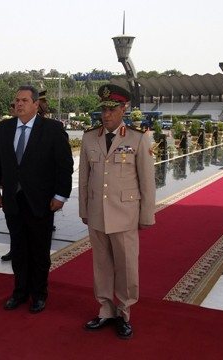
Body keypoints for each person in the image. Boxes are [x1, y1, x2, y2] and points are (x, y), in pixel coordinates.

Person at [79, 84, 156, 339]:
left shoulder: (138, 137)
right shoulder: (90, 137)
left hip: (124, 214)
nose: (106, 114)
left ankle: (124, 313)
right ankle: (105, 310)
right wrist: (84, 209)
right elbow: (84, 178)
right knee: (101, 265)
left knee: (126, 267)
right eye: (104, 109)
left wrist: (146, 216)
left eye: (112, 109)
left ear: (124, 108)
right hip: (97, 213)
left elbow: (147, 181)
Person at [0, 85, 73, 313]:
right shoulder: (4, 128)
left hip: (41, 201)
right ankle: (19, 291)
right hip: (13, 201)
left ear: (36, 104)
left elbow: (64, 166)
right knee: (18, 248)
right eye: (17, 100)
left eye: (24, 100)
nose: (19, 104)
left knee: (39, 250)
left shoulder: (53, 129)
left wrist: (60, 195)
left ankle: (39, 294)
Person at [0, 101, 17, 262]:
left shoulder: (44, 128)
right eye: (12, 106)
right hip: (10, 188)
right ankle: (15, 248)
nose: (14, 109)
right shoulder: (5, 128)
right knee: (12, 221)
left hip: (34, 190)